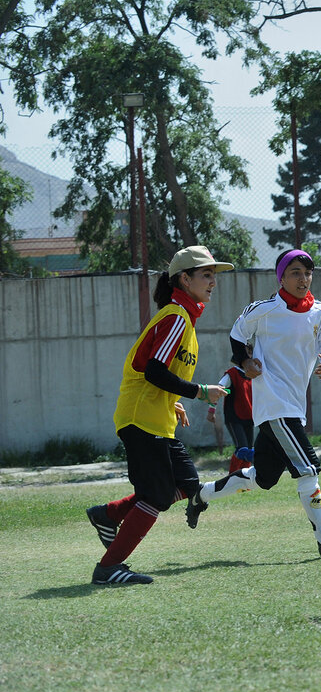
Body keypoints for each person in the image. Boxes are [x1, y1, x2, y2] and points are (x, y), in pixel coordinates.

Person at [186, 249, 321, 559]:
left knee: (262, 478)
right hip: (273, 405)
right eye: (295, 273)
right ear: (281, 277)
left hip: (293, 406)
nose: (303, 279)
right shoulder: (264, 309)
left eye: (307, 273)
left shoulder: (320, 312)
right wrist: (244, 361)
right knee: (308, 470)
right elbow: (237, 334)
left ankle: (201, 494)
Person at [85, 246, 234, 585]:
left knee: (186, 484)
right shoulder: (176, 317)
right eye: (206, 275)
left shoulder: (184, 318)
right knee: (156, 496)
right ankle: (108, 568)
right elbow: (153, 371)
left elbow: (155, 372)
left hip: (156, 418)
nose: (213, 282)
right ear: (185, 279)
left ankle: (108, 515)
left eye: (214, 275)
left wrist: (172, 400)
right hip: (141, 419)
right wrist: (199, 391)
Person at [206, 358, 255, 472]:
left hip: (249, 417)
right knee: (242, 449)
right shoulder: (232, 374)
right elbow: (217, 391)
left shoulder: (253, 374)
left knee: (249, 451)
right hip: (234, 417)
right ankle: (231, 477)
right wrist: (211, 411)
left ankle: (244, 480)